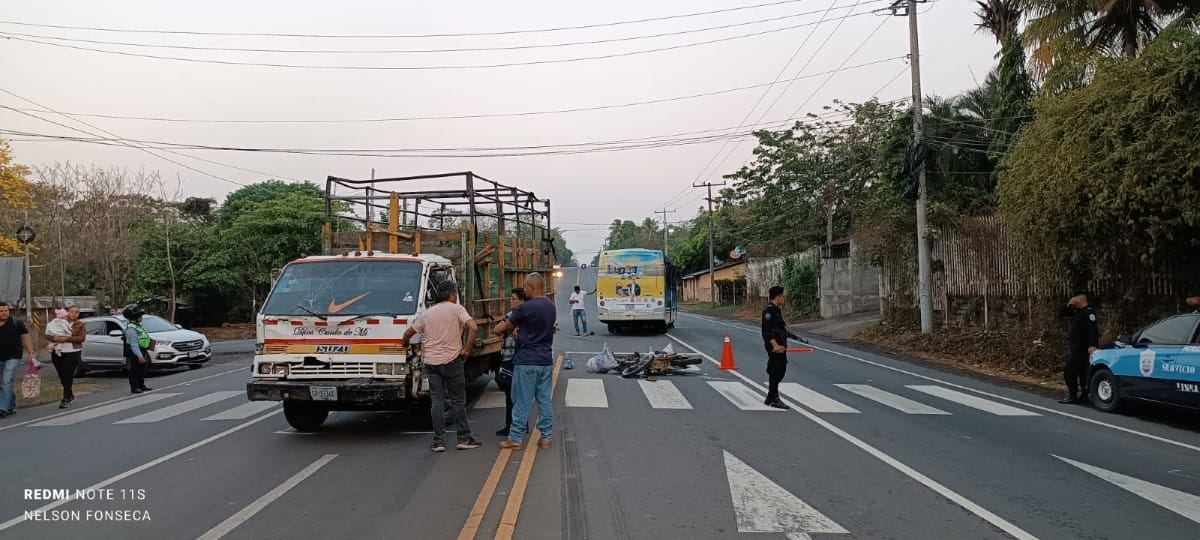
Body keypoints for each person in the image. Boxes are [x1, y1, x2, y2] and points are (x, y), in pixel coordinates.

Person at [402, 280, 482, 453]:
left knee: (437, 401)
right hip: (452, 361)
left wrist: (404, 343)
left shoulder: (428, 313)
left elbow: (409, 332)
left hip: (431, 363)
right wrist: (467, 349)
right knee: (457, 400)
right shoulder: (456, 309)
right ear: (452, 295)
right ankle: (463, 438)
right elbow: (473, 327)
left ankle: (438, 441)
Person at [495, 272, 557, 450]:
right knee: (544, 400)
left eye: (525, 286)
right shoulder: (551, 307)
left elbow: (506, 326)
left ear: (531, 287)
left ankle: (515, 437)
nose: (524, 289)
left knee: (521, 400)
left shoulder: (526, 308)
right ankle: (546, 437)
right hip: (545, 360)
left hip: (527, 360)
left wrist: (499, 328)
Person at [761, 286, 805, 410]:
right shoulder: (769, 311)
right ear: (778, 297)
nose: (784, 298)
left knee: (779, 370)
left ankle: (770, 396)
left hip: (781, 344)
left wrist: (793, 336)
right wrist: (774, 345)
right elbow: (767, 331)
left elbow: (780, 328)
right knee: (776, 370)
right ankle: (774, 398)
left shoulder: (776, 310)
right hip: (775, 346)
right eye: (783, 296)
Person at [494, 287, 527, 437]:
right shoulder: (514, 315)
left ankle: (514, 425)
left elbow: (499, 329)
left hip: (514, 359)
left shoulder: (515, 315)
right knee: (515, 394)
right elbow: (497, 330)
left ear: (522, 300)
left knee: (513, 394)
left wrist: (508, 325)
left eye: (514, 299)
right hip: (514, 358)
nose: (511, 301)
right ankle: (516, 424)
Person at [1059, 290, 1099, 404]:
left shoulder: (1089, 312)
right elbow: (1063, 314)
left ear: (1081, 299)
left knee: (1069, 370)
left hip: (1082, 347)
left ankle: (1073, 394)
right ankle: (1084, 396)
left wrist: (1093, 345)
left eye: (1074, 298)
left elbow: (1093, 330)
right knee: (1081, 371)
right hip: (1075, 346)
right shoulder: (1077, 311)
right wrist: (1069, 304)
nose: (1073, 299)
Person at [0, 301, 36, 418]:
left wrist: (31, 352)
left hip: (13, 356)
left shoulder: (16, 323)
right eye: (1, 311)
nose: (4, 313)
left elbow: (25, 336)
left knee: (7, 380)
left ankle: (3, 408)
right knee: (3, 382)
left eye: (6, 311)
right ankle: (11, 405)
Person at [46, 306, 86, 408]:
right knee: (61, 375)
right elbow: (48, 334)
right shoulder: (58, 322)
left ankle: (66, 397)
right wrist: (54, 338)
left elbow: (81, 338)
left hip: (72, 351)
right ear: (67, 312)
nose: (74, 314)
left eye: (77, 312)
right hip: (57, 351)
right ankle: (70, 394)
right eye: (72, 312)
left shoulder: (80, 324)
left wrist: (67, 339)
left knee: (67, 374)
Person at [122, 304, 153, 394]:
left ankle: (141, 385)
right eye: (140, 316)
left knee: (141, 369)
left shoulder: (138, 326)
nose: (141, 318)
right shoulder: (131, 328)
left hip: (142, 349)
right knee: (135, 370)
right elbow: (134, 344)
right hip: (135, 351)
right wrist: (139, 356)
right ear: (135, 317)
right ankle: (135, 387)